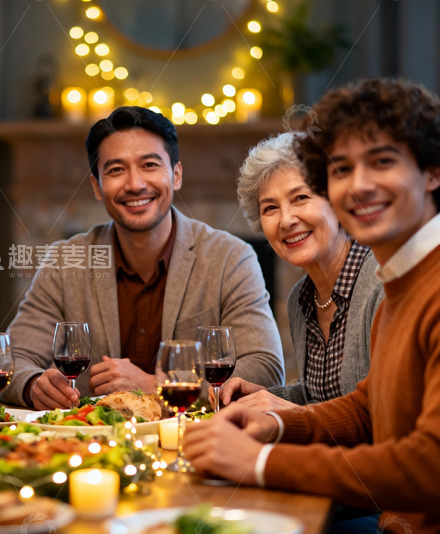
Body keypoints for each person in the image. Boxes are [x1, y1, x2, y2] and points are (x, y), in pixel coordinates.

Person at [184, 78, 440, 534]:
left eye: (381, 162)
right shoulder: (400, 278)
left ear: (432, 171)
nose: (358, 187)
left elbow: (427, 465)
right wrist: (277, 423)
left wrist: (263, 462)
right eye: (341, 170)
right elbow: (366, 406)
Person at [1, 106, 285, 410]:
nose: (135, 184)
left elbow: (266, 367)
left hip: (194, 442)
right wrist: (33, 386)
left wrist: (156, 387)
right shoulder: (64, 261)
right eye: (115, 170)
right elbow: (11, 360)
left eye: (149, 165)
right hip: (90, 443)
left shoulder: (229, 256)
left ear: (176, 175)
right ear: (97, 186)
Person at [215, 132, 383, 410]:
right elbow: (321, 397)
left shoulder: (382, 284)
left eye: (301, 197)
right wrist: (266, 397)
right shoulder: (300, 300)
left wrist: (289, 412)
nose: (286, 220)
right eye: (270, 208)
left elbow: (381, 413)